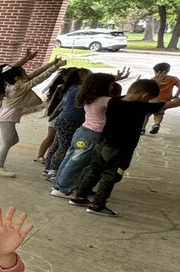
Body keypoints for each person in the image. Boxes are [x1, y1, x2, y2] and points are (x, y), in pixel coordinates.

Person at [68, 79, 173, 216]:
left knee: (93, 171)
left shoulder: (114, 101)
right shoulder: (140, 107)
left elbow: (137, 91)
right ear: (145, 96)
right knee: (110, 175)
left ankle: (79, 196)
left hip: (102, 143)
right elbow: (172, 104)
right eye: (149, 99)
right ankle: (97, 205)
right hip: (119, 148)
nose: (149, 102)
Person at [49, 70, 128, 198]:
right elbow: (126, 102)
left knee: (71, 158)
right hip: (92, 134)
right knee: (77, 162)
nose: (113, 87)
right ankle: (63, 189)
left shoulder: (88, 96)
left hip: (83, 131)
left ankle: (59, 185)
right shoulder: (104, 100)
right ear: (103, 86)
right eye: (111, 84)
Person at [0, 56, 65, 177]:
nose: (27, 74)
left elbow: (35, 74)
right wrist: (56, 67)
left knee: (12, 140)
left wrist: (52, 64)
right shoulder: (18, 88)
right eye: (24, 73)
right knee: (7, 143)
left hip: (4, 118)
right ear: (17, 78)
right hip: (6, 119)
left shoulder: (10, 83)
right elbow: (39, 78)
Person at [40, 68, 89, 180]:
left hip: (64, 119)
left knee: (57, 145)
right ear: (81, 77)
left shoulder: (71, 88)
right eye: (88, 76)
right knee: (64, 147)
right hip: (69, 121)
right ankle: (53, 172)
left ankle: (48, 169)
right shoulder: (78, 90)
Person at [147, 62, 179, 135]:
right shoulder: (174, 79)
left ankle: (142, 129)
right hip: (164, 100)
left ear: (156, 72)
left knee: (146, 114)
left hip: (153, 99)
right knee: (159, 113)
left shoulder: (153, 79)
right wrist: (176, 95)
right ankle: (157, 124)